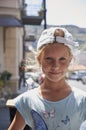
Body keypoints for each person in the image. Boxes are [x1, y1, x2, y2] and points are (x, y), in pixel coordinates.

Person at [7, 27, 86, 130]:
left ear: (69, 60)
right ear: (40, 60)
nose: (55, 66)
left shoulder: (82, 100)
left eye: (62, 59)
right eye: (49, 59)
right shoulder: (27, 100)